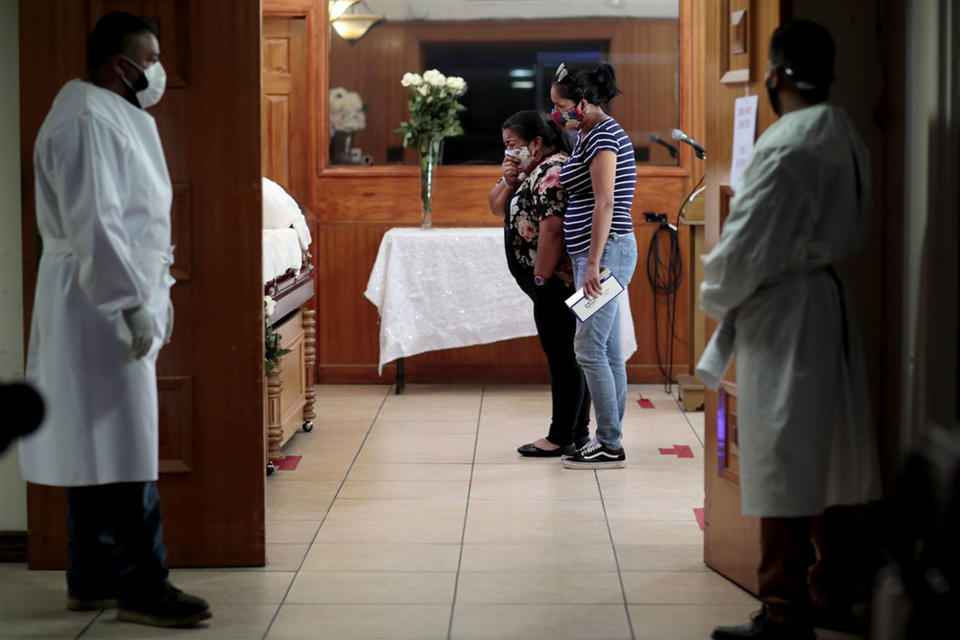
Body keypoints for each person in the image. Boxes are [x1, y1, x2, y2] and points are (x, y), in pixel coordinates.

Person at [18, 11, 211, 628]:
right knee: (124, 444)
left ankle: (91, 577)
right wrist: (128, 303)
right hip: (96, 300)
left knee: (97, 439)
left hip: (110, 293)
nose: (156, 72)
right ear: (116, 65)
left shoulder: (112, 115)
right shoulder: (84, 118)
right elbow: (95, 222)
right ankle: (141, 586)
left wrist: (150, 293)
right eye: (148, 60)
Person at [701, 20, 882, 640]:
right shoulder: (845, 133)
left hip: (785, 314)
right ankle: (831, 591)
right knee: (829, 451)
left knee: (781, 453)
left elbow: (746, 242)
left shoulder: (788, 144)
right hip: (825, 301)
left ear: (775, 76)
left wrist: (716, 293)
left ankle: (784, 611)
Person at [548, 62, 638, 470]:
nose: (555, 113)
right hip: (596, 253)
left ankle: (609, 443)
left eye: (560, 105)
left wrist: (593, 264)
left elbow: (605, 203)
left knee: (586, 347)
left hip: (607, 253)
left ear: (582, 103)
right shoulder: (586, 133)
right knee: (608, 349)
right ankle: (611, 437)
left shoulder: (604, 137)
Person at [488, 111, 591, 457]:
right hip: (546, 283)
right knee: (566, 355)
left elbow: (553, 229)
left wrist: (540, 278)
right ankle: (575, 432)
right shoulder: (531, 172)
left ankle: (563, 435)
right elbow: (494, 206)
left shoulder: (553, 171)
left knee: (565, 357)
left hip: (557, 282)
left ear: (536, 143)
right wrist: (508, 179)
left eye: (512, 145)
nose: (508, 152)